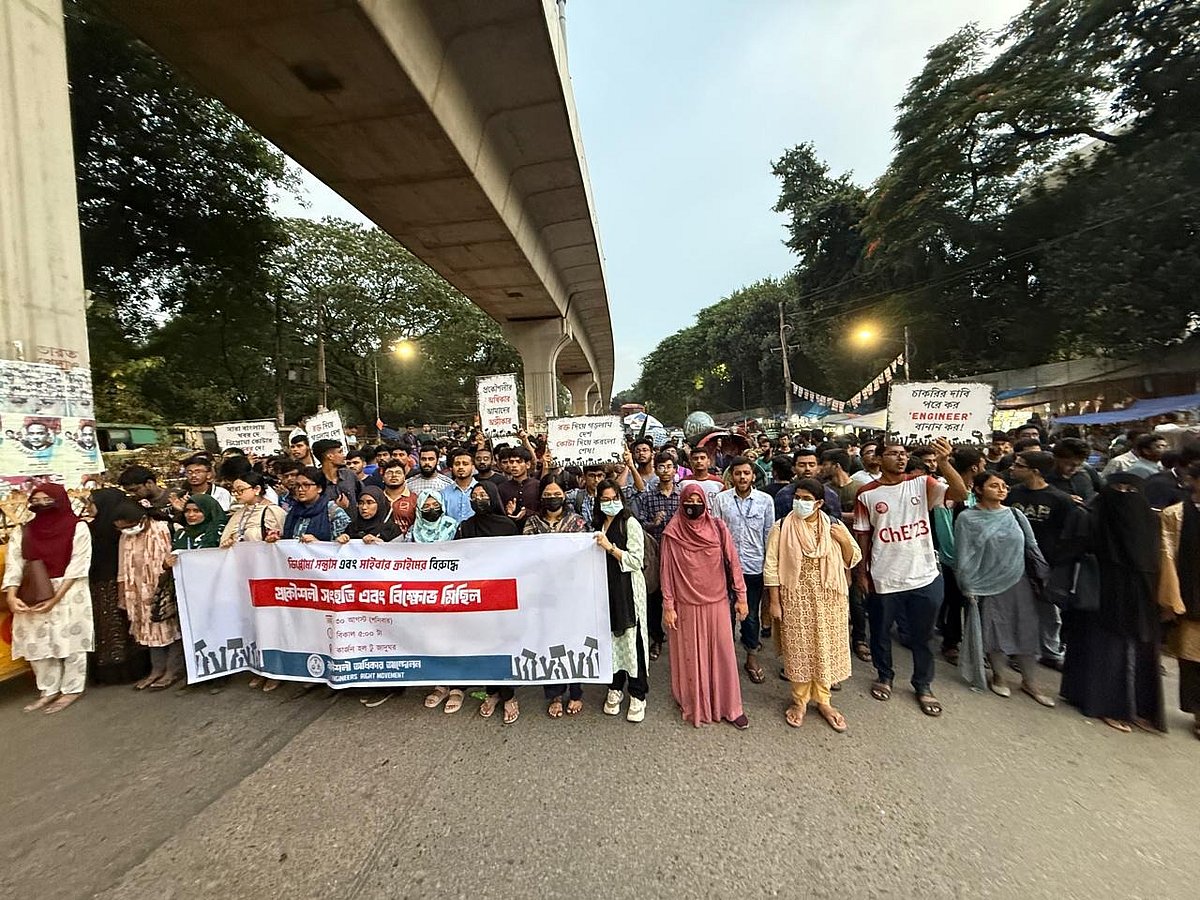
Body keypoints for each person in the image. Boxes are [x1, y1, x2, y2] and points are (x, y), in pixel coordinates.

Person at [853, 437, 967, 718]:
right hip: (884, 577)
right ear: (879, 459)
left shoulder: (922, 483)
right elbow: (863, 535)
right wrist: (862, 573)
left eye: (903, 454)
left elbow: (960, 493)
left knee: (923, 636)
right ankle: (884, 675)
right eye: (893, 453)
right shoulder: (866, 494)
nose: (901, 458)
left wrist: (944, 463)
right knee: (880, 632)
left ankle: (923, 684)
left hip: (924, 576)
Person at [1060, 474, 1165, 733]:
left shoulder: (1151, 521)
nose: (1124, 494)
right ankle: (1107, 706)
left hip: (1141, 596)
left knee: (1139, 651)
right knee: (1105, 651)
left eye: (1131, 490)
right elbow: (1071, 551)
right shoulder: (1091, 516)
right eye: (1118, 488)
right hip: (1100, 596)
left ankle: (1139, 708)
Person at [763, 477, 861, 731]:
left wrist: (842, 540)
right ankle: (800, 701)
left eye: (806, 499)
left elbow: (853, 558)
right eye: (797, 498)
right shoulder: (782, 527)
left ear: (819, 503)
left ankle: (824, 701)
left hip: (830, 599)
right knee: (800, 651)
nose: (800, 503)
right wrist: (774, 602)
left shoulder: (834, 526)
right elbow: (771, 567)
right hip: (796, 599)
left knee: (825, 649)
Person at [954, 472, 1055, 706]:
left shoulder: (1015, 515)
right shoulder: (967, 519)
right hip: (986, 582)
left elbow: (1032, 547)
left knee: (1026, 629)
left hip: (1020, 580)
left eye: (1004, 486)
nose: (1001, 490)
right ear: (978, 489)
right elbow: (964, 554)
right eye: (994, 486)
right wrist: (967, 584)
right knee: (996, 628)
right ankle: (999, 676)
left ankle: (1030, 682)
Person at [660, 483, 749, 729]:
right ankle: (695, 702)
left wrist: (741, 597)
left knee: (723, 655)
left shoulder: (718, 528)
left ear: (705, 503)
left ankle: (730, 707)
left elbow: (733, 563)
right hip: (685, 606)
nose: (693, 505)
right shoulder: (672, 532)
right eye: (689, 501)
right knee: (691, 658)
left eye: (698, 500)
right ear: (681, 503)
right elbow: (666, 571)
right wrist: (668, 606)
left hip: (717, 603)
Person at [2, 484, 94, 713]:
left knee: (71, 642)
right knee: (36, 644)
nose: (41, 504)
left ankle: (72, 688)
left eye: (47, 500)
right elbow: (15, 564)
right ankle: (48, 689)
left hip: (69, 590)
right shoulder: (24, 530)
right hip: (33, 590)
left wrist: (55, 598)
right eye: (36, 500)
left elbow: (78, 565)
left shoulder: (78, 527)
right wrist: (11, 595)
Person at [523, 475, 589, 717]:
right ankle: (555, 694)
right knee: (549, 641)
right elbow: (525, 555)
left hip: (572, 591)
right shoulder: (532, 522)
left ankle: (576, 691)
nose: (552, 498)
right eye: (548, 494)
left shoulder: (578, 522)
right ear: (541, 496)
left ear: (564, 495)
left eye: (556, 494)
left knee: (574, 641)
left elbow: (584, 555)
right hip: (543, 592)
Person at [455, 480, 521, 723]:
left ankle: (509, 695)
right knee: (483, 645)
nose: (479, 499)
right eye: (475, 496)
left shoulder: (507, 526)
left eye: (484, 495)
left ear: (493, 497)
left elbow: (517, 559)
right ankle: (492, 692)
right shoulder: (466, 526)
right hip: (476, 595)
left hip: (502, 594)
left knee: (502, 645)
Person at [593, 479, 652, 723]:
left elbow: (636, 560)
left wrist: (611, 548)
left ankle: (637, 693)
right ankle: (615, 686)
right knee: (611, 641)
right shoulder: (597, 524)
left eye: (614, 498)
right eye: (605, 499)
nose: (610, 503)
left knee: (632, 640)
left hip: (627, 590)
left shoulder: (630, 523)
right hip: (605, 590)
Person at [712, 457, 774, 685]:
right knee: (724, 615)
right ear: (731, 476)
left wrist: (769, 568)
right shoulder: (721, 500)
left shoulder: (765, 501)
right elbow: (715, 534)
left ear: (753, 476)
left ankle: (751, 657)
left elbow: (769, 534)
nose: (742, 477)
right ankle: (724, 660)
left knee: (750, 615)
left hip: (754, 566)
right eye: (738, 473)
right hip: (725, 568)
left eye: (746, 473)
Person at [113, 499, 181, 690]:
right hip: (137, 593)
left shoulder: (165, 529)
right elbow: (122, 569)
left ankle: (172, 670)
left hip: (164, 589)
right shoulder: (125, 537)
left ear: (143, 518)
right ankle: (157, 670)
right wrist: (122, 595)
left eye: (129, 525)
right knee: (149, 632)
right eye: (122, 528)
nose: (127, 530)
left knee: (171, 629)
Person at [85, 487, 149, 685]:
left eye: (92, 502)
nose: (88, 507)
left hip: (118, 582)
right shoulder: (91, 528)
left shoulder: (121, 529)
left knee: (118, 626)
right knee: (108, 628)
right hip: (101, 583)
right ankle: (115, 670)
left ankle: (125, 669)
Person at [1157, 461, 1200, 740]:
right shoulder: (1175, 515)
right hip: (1191, 595)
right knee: (1193, 658)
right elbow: (1167, 557)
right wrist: (1170, 600)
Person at [636, 450, 681, 660]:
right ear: (656, 469)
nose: (665, 471)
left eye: (669, 467)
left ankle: (680, 637)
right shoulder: (647, 496)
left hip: (678, 555)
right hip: (655, 554)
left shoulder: (682, 495)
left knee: (679, 597)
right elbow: (639, 523)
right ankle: (656, 638)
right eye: (661, 467)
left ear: (675, 470)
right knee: (654, 598)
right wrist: (653, 523)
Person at [271, 467, 350, 542]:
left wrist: (317, 543)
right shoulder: (293, 511)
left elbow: (341, 545)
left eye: (306, 485)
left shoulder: (334, 512)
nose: (300, 489)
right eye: (297, 485)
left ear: (319, 488)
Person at [221, 472, 286, 546]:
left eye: (240, 490)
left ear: (257, 489)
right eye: (234, 491)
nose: (236, 494)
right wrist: (229, 542)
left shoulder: (272, 512)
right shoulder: (238, 513)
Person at [312, 439, 358, 508]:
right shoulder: (315, 481)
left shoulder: (349, 475)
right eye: (340, 452)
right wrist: (335, 507)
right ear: (330, 456)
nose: (344, 456)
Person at [379, 459, 418, 539]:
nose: (394, 475)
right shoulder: (376, 499)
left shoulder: (415, 499)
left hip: (407, 544)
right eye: (389, 473)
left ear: (404, 477)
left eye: (398, 473)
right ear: (383, 477)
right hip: (380, 544)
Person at [440, 447, 478, 524]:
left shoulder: (482, 490)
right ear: (452, 468)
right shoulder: (444, 493)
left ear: (473, 467)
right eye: (457, 464)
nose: (461, 467)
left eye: (465, 464)